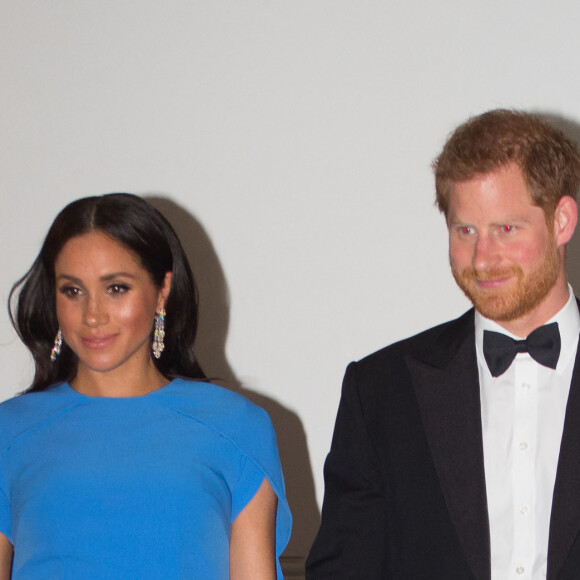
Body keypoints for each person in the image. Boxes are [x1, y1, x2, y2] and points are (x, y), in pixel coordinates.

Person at [306, 109, 580, 579]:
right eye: (465, 230)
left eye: (506, 229)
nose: (483, 258)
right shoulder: (381, 391)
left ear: (561, 221)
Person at [0, 193, 291, 580]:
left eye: (116, 288)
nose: (92, 315)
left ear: (162, 289)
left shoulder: (236, 427)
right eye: (73, 290)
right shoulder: (9, 432)